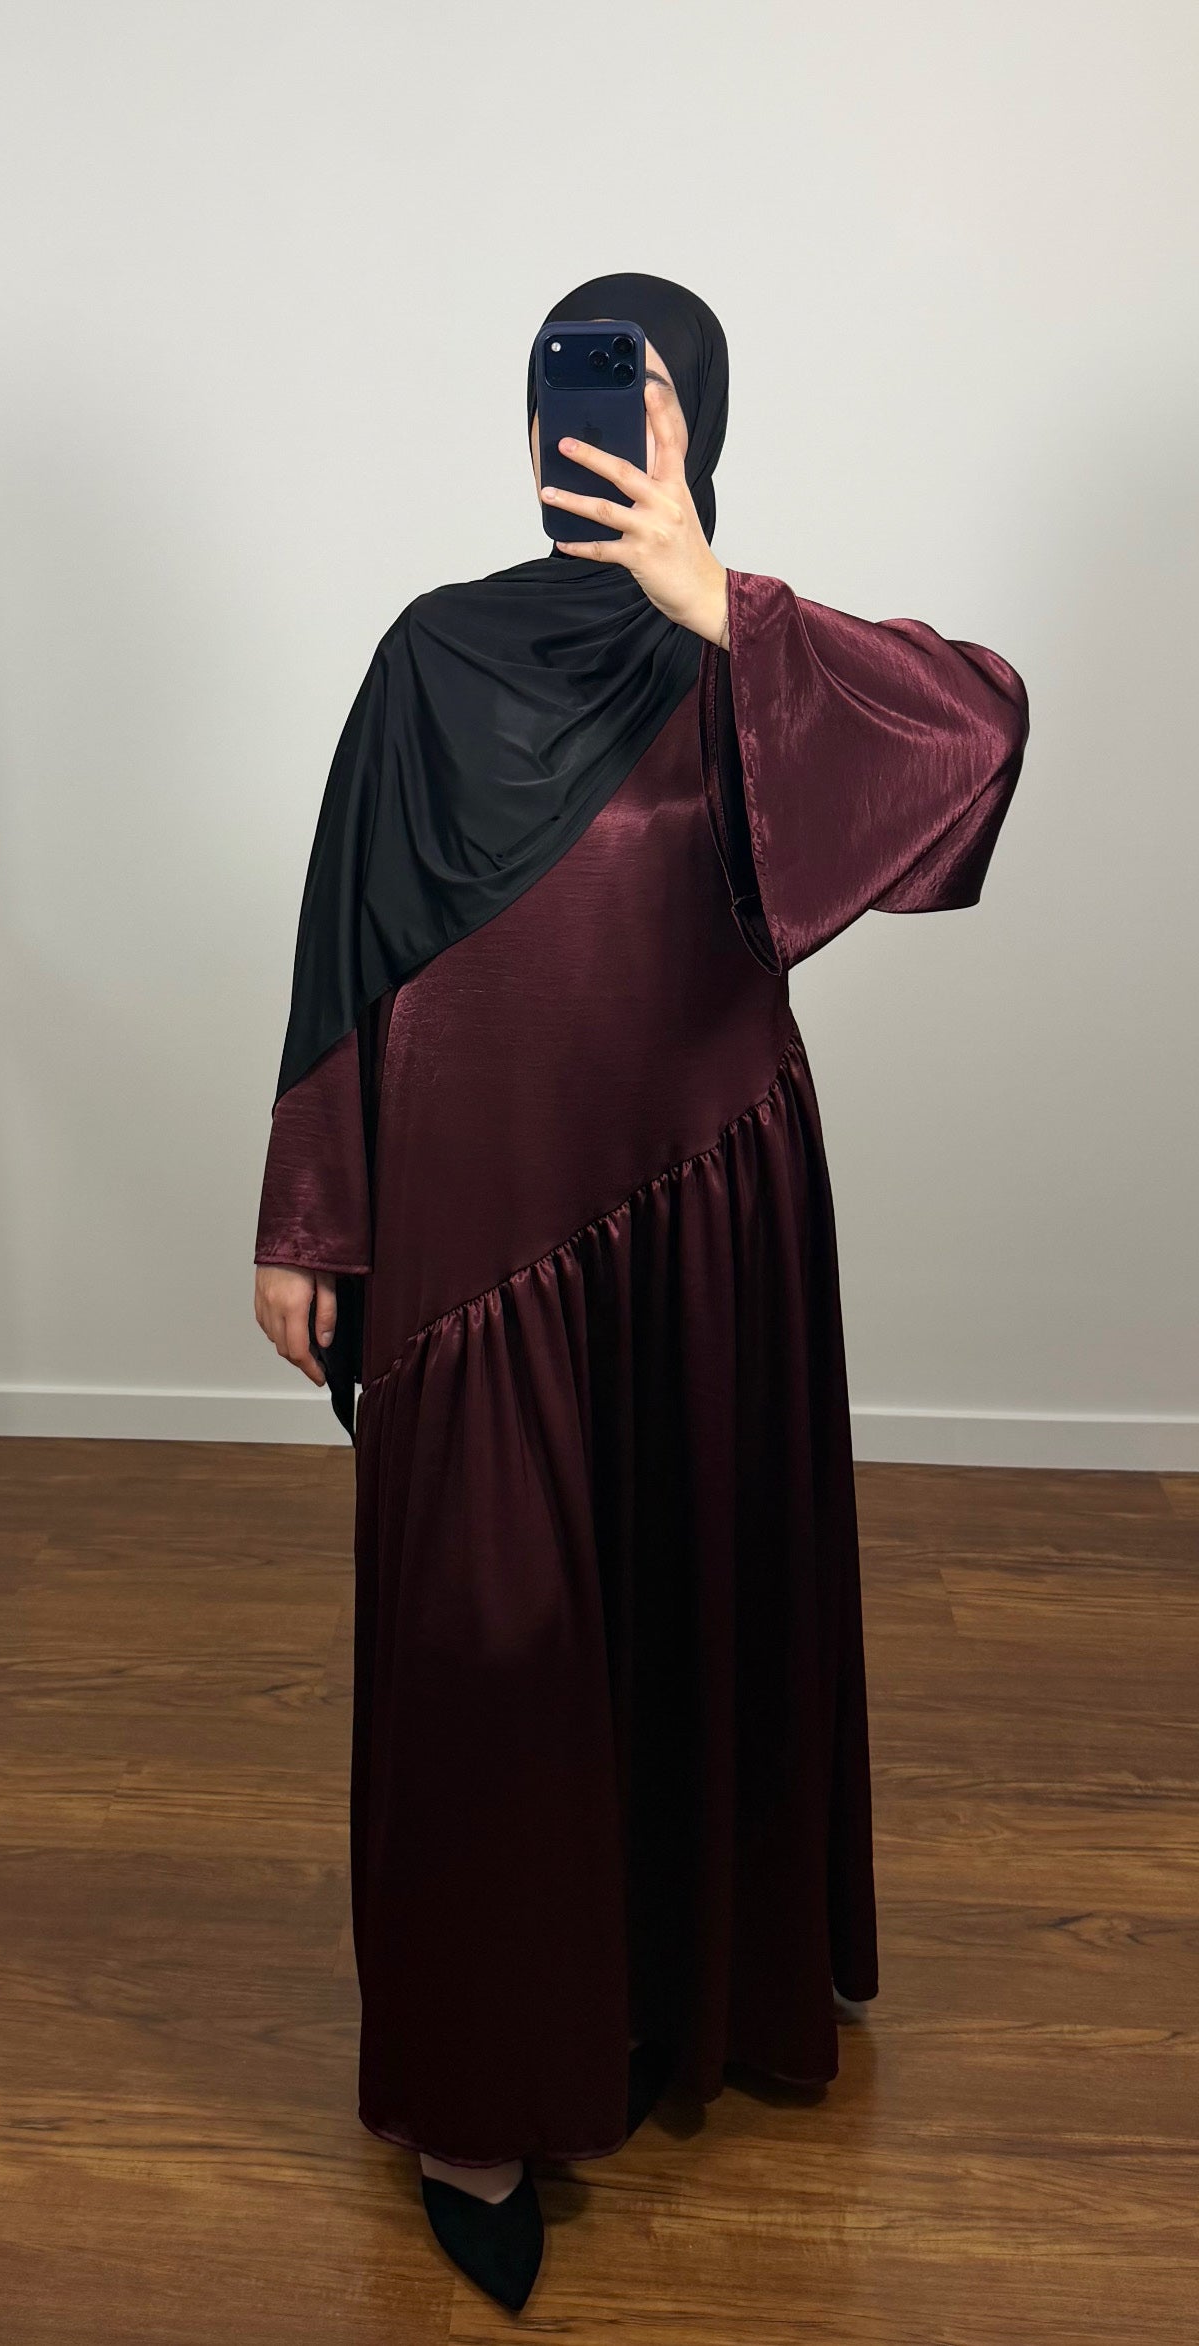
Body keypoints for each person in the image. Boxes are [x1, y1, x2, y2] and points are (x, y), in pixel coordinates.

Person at [253, 269, 1030, 2311]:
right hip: (482, 1250)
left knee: (706, 1584)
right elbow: (344, 939)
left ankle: (702, 1989)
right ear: (529, 432)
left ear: (707, 430)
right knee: (488, 1644)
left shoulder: (757, 667)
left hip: (705, 1208)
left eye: (646, 396)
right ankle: (477, 2091)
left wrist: (723, 601)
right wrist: (311, 1212)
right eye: (571, 391)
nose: (596, 427)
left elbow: (976, 740)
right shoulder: (432, 658)